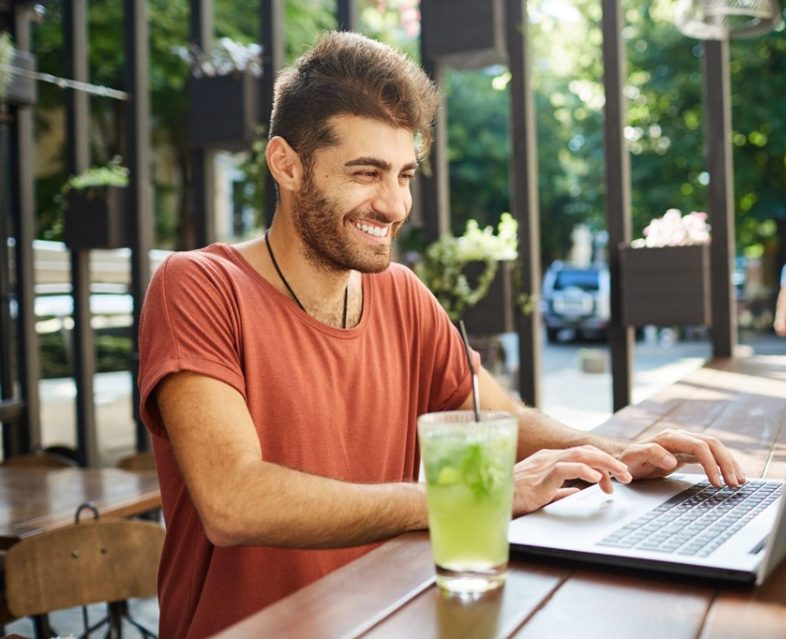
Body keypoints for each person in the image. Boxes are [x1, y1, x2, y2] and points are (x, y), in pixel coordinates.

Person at [138, 32, 745, 638]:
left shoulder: (401, 293)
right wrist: (473, 500)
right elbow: (234, 502)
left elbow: (497, 422)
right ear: (287, 164)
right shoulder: (198, 285)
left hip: (388, 622)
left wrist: (616, 454)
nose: (395, 204)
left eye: (405, 174)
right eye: (367, 172)